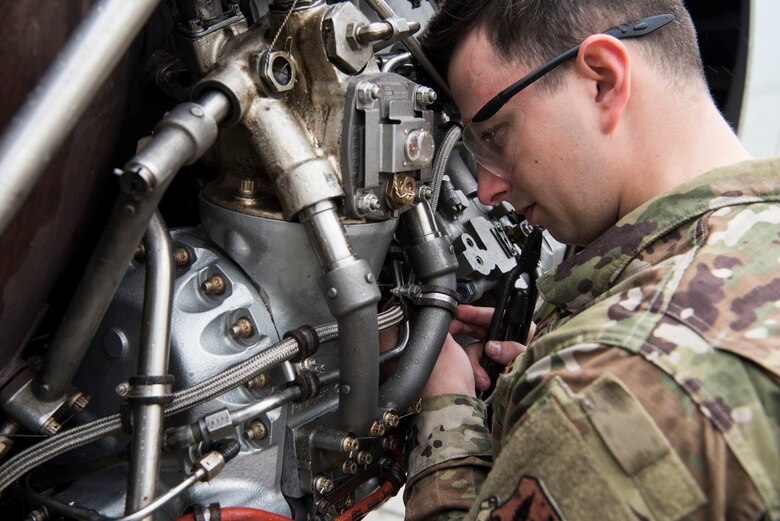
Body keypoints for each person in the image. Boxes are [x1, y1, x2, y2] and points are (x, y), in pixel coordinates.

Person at [404, 1, 780, 519]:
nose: (487, 188)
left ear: (603, 79)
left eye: (494, 134)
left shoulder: (612, 384)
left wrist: (444, 404)